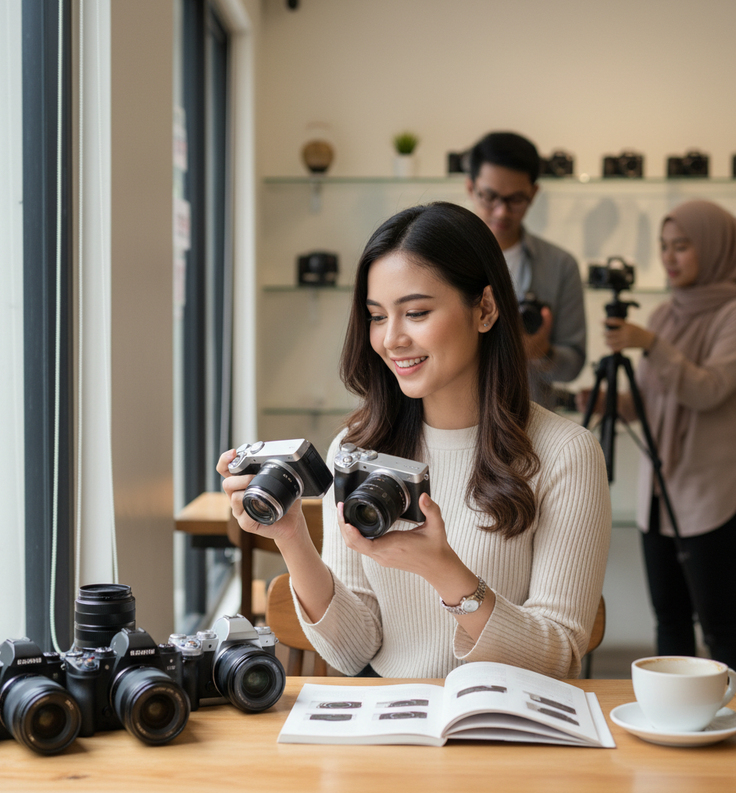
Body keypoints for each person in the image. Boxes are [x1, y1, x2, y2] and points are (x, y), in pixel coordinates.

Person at [219, 202, 611, 680]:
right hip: (394, 727)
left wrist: (444, 572)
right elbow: (353, 648)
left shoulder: (565, 453)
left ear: (485, 309)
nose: (391, 339)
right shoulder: (358, 446)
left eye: (417, 313)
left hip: (507, 734)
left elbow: (559, 655)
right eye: (377, 316)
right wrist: (292, 536)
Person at [580, 199, 736, 668]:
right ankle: (675, 714)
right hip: (656, 496)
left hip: (707, 498)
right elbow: (653, 401)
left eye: (682, 246)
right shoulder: (665, 314)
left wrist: (650, 344)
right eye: (664, 247)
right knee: (668, 618)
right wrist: (611, 403)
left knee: (721, 625)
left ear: (714, 248)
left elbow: (708, 391)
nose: (669, 257)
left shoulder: (730, 315)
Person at [464, 132, 586, 410]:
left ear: (533, 193)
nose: (502, 212)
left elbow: (572, 365)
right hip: (449, 418)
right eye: (490, 197)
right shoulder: (439, 256)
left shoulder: (559, 265)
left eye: (516, 199)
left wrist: (542, 353)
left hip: (527, 423)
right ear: (470, 188)